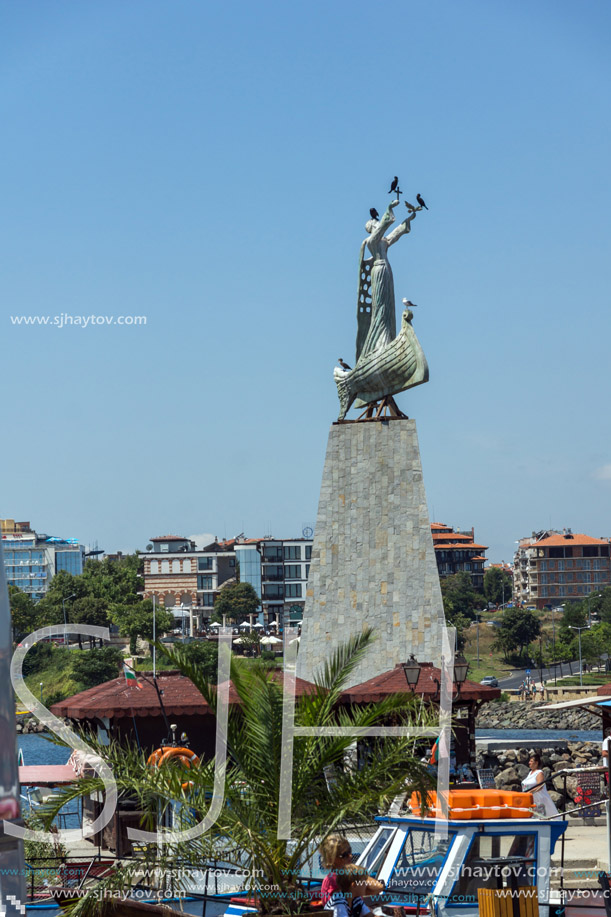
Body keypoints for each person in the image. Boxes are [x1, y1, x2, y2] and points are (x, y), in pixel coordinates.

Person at [320, 836, 384, 911]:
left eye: (349, 851)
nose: (350, 855)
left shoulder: (345, 877)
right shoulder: (334, 880)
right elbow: (378, 887)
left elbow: (379, 887)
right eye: (344, 854)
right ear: (333, 859)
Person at [521, 753, 558, 817]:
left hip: (539, 800)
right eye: (529, 761)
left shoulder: (539, 773)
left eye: (531, 761)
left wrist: (529, 792)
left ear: (536, 763)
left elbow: (540, 786)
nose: (529, 763)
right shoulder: (530, 773)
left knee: (542, 816)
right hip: (531, 800)